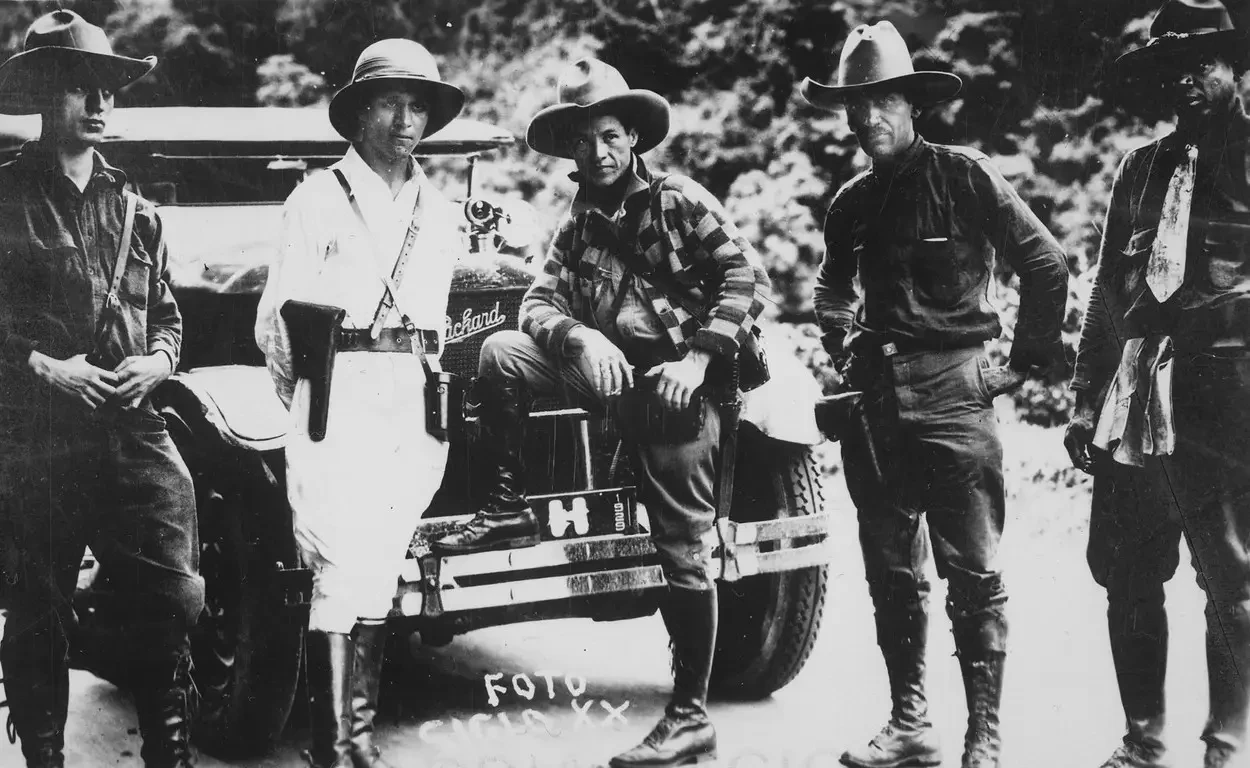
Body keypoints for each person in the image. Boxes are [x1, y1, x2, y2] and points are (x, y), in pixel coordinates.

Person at [431, 57, 771, 768]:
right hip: (606, 378)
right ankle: (507, 504)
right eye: (583, 141)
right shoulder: (578, 224)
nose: (599, 152)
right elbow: (535, 303)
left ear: (633, 138)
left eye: (610, 136)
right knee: (500, 352)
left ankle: (690, 719)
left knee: (683, 551)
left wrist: (697, 361)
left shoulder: (679, 201)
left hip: (677, 387)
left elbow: (746, 276)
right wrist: (580, 338)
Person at [804, 21, 1069, 768]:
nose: (867, 117)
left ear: (913, 105)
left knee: (973, 575)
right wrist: (841, 342)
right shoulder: (852, 203)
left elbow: (1046, 264)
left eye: (883, 100)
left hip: (956, 394)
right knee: (892, 572)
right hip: (875, 404)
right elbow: (830, 286)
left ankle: (984, 737)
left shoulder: (965, 177)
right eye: (856, 104)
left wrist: (1020, 365)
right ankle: (910, 724)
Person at [254, 38, 465, 768]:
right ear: (357, 114)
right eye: (389, 104)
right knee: (339, 565)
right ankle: (333, 747)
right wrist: (312, 400)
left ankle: (359, 739)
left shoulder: (440, 212)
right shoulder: (315, 200)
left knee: (380, 564)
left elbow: (439, 322)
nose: (406, 121)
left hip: (411, 403)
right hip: (337, 396)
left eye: (418, 106)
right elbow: (277, 326)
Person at [0, 10, 203, 768]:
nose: (99, 103)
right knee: (38, 609)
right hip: (39, 434)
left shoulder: (133, 206)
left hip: (132, 427)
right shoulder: (6, 197)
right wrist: (43, 366)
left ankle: (169, 756)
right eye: (79, 88)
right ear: (42, 95)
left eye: (108, 90)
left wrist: (160, 361)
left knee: (171, 596)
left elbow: (168, 316)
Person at [1064, 1, 1250, 766]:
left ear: (1237, 68)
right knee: (1130, 574)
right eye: (1173, 68)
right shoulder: (1139, 169)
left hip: (1229, 399)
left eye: (1203, 63)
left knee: (1232, 578)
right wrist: (1085, 398)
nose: (1187, 80)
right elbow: (1108, 290)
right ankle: (1142, 740)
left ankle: (1225, 743)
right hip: (1138, 394)